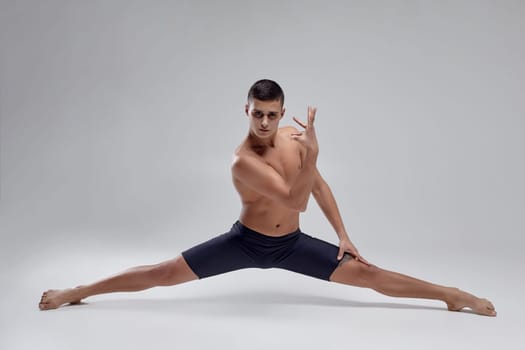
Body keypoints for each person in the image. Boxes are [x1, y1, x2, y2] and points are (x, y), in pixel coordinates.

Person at [39, 79, 496, 316]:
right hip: (245, 243)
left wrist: (343, 233)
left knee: (370, 276)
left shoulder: (295, 143)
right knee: (163, 272)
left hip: (293, 245)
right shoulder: (242, 160)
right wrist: (315, 152)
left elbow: (315, 188)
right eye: (257, 114)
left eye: (272, 115)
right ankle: (76, 293)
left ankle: (451, 296)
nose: (264, 123)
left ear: (281, 111)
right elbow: (294, 199)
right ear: (247, 110)